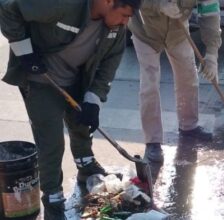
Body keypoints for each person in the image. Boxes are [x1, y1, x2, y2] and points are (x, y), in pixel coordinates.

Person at [0, 0, 140, 219]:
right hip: (40, 80)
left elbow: (108, 66)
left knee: (82, 123)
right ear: (108, 1)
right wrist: (24, 51)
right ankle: (53, 197)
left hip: (76, 78)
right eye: (124, 15)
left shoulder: (116, 30)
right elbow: (8, 7)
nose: (125, 22)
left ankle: (86, 165)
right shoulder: (64, 4)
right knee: (51, 141)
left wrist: (93, 99)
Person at [128, 0, 222, 163]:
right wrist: (159, 5)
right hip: (145, 32)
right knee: (150, 83)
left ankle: (189, 126)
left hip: (178, 31)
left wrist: (212, 54)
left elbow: (210, 13)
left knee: (188, 77)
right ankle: (153, 141)